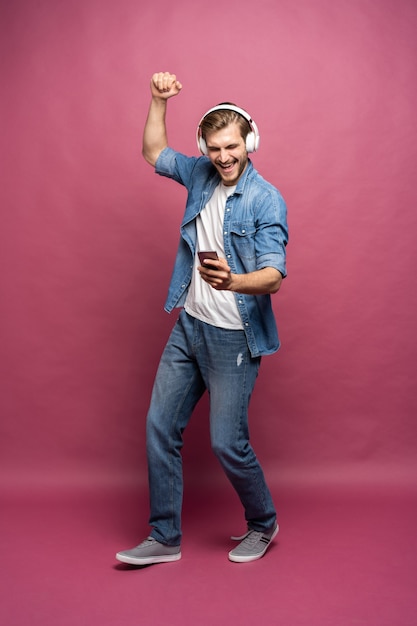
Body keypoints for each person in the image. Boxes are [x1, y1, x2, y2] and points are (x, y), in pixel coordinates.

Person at [116, 71, 288, 565]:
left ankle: (263, 522)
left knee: (226, 443)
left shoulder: (264, 198)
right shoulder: (198, 173)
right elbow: (153, 152)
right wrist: (156, 100)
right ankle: (164, 537)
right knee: (159, 427)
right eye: (214, 148)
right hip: (189, 327)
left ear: (249, 142)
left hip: (233, 338)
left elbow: (274, 275)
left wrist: (233, 280)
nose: (224, 157)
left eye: (232, 146)